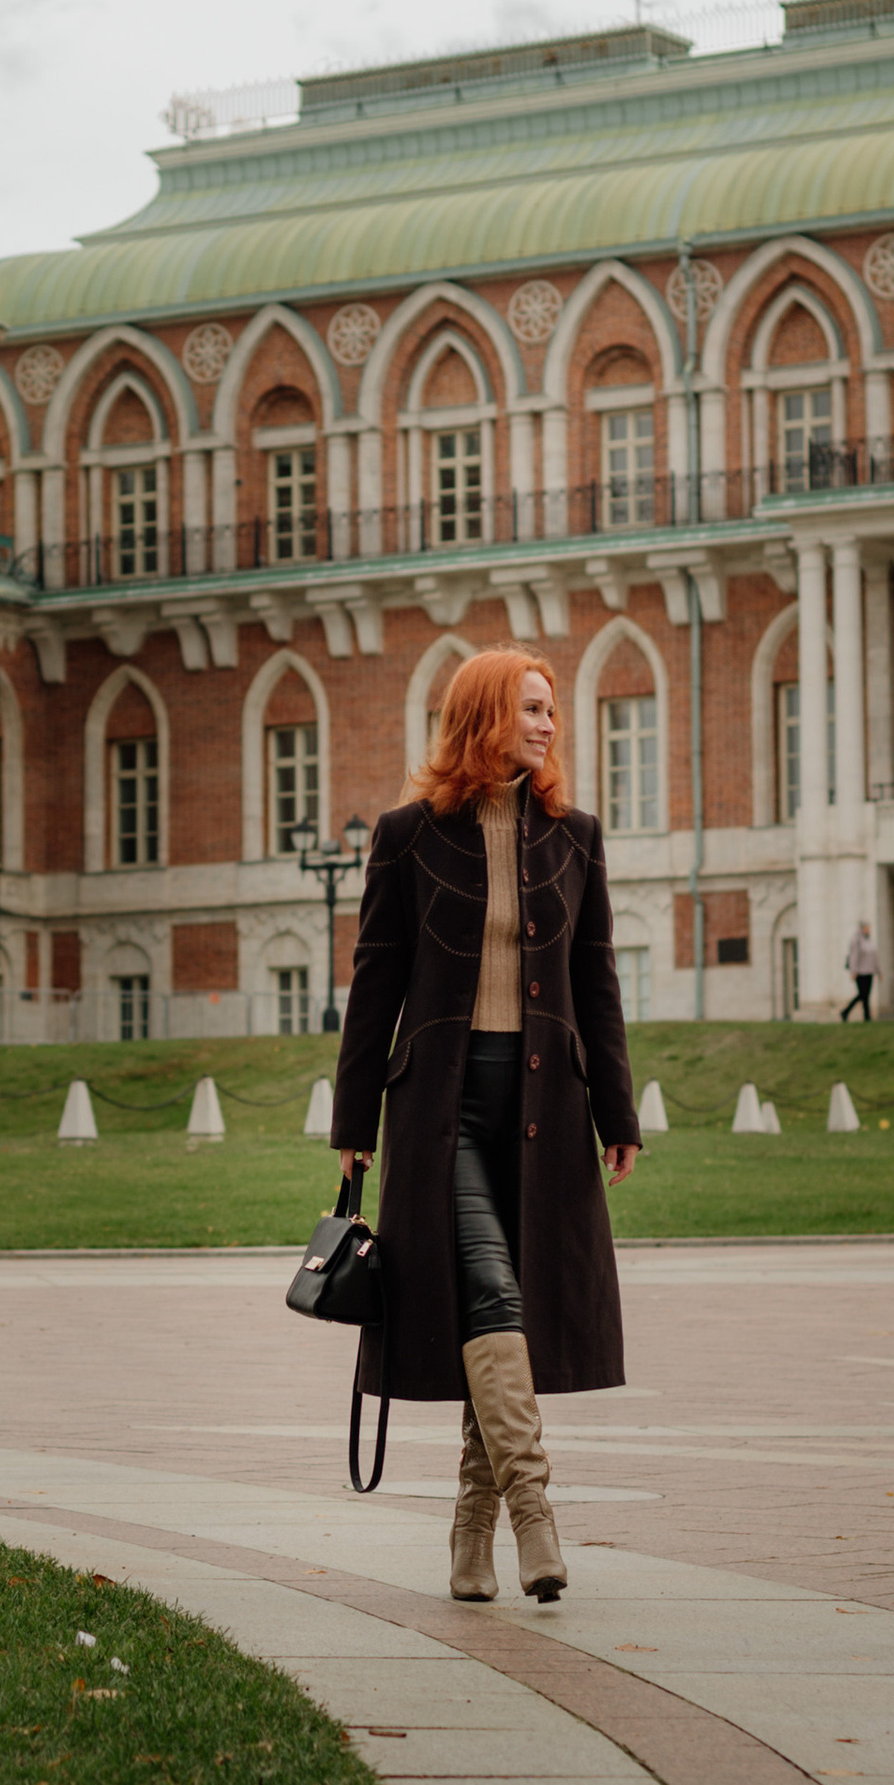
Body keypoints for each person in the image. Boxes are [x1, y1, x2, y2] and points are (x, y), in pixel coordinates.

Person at [331, 645, 641, 1608]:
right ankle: (535, 1514)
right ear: (484, 717)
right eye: (532, 708)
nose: (549, 725)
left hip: (545, 1106)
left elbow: (597, 983)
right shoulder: (408, 835)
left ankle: (471, 1532)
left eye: (552, 711)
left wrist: (617, 1107)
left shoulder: (576, 835)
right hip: (442, 1110)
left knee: (487, 1310)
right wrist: (353, 1119)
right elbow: (374, 982)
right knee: (495, 1290)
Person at [840, 921, 880, 1021]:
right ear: (862, 928)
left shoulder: (870, 941)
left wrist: (878, 970)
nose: (868, 929)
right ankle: (846, 1011)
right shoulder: (857, 940)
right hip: (860, 972)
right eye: (866, 928)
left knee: (866, 995)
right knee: (862, 994)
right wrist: (853, 971)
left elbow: (875, 957)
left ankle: (866, 1017)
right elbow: (854, 957)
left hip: (869, 971)